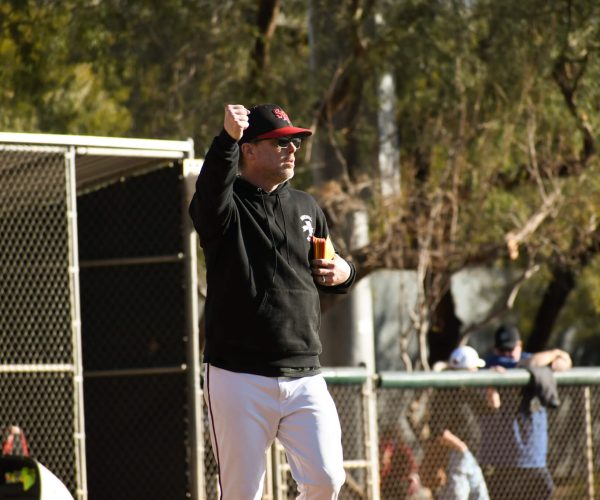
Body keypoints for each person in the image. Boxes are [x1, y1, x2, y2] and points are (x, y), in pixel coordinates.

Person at [188, 104, 356, 499]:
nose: (292, 148)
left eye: (294, 142)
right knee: (243, 493)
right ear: (248, 150)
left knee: (327, 479)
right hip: (238, 375)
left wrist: (345, 272)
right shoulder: (227, 205)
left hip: (304, 373)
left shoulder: (307, 207)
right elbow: (209, 193)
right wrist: (226, 138)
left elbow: (330, 268)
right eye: (279, 142)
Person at [479, 325, 572, 500]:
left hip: (533, 458)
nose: (506, 354)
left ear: (520, 345)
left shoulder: (530, 358)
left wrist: (557, 359)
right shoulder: (492, 362)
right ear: (495, 349)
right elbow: (530, 363)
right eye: (502, 350)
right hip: (500, 461)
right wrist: (554, 354)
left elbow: (565, 362)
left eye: (511, 349)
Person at [421, 346, 490, 500]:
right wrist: (461, 447)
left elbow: (491, 409)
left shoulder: (468, 390)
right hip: (455, 456)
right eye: (474, 368)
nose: (476, 372)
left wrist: (493, 383)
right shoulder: (446, 392)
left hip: (470, 457)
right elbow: (438, 430)